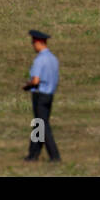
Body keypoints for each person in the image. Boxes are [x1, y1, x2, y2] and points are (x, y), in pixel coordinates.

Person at [22, 29, 61, 162]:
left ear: (39, 43)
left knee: (43, 126)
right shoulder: (53, 59)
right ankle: (33, 154)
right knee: (38, 125)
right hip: (49, 95)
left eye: (33, 43)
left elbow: (36, 81)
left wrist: (27, 86)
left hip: (40, 95)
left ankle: (54, 156)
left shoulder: (39, 60)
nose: (33, 46)